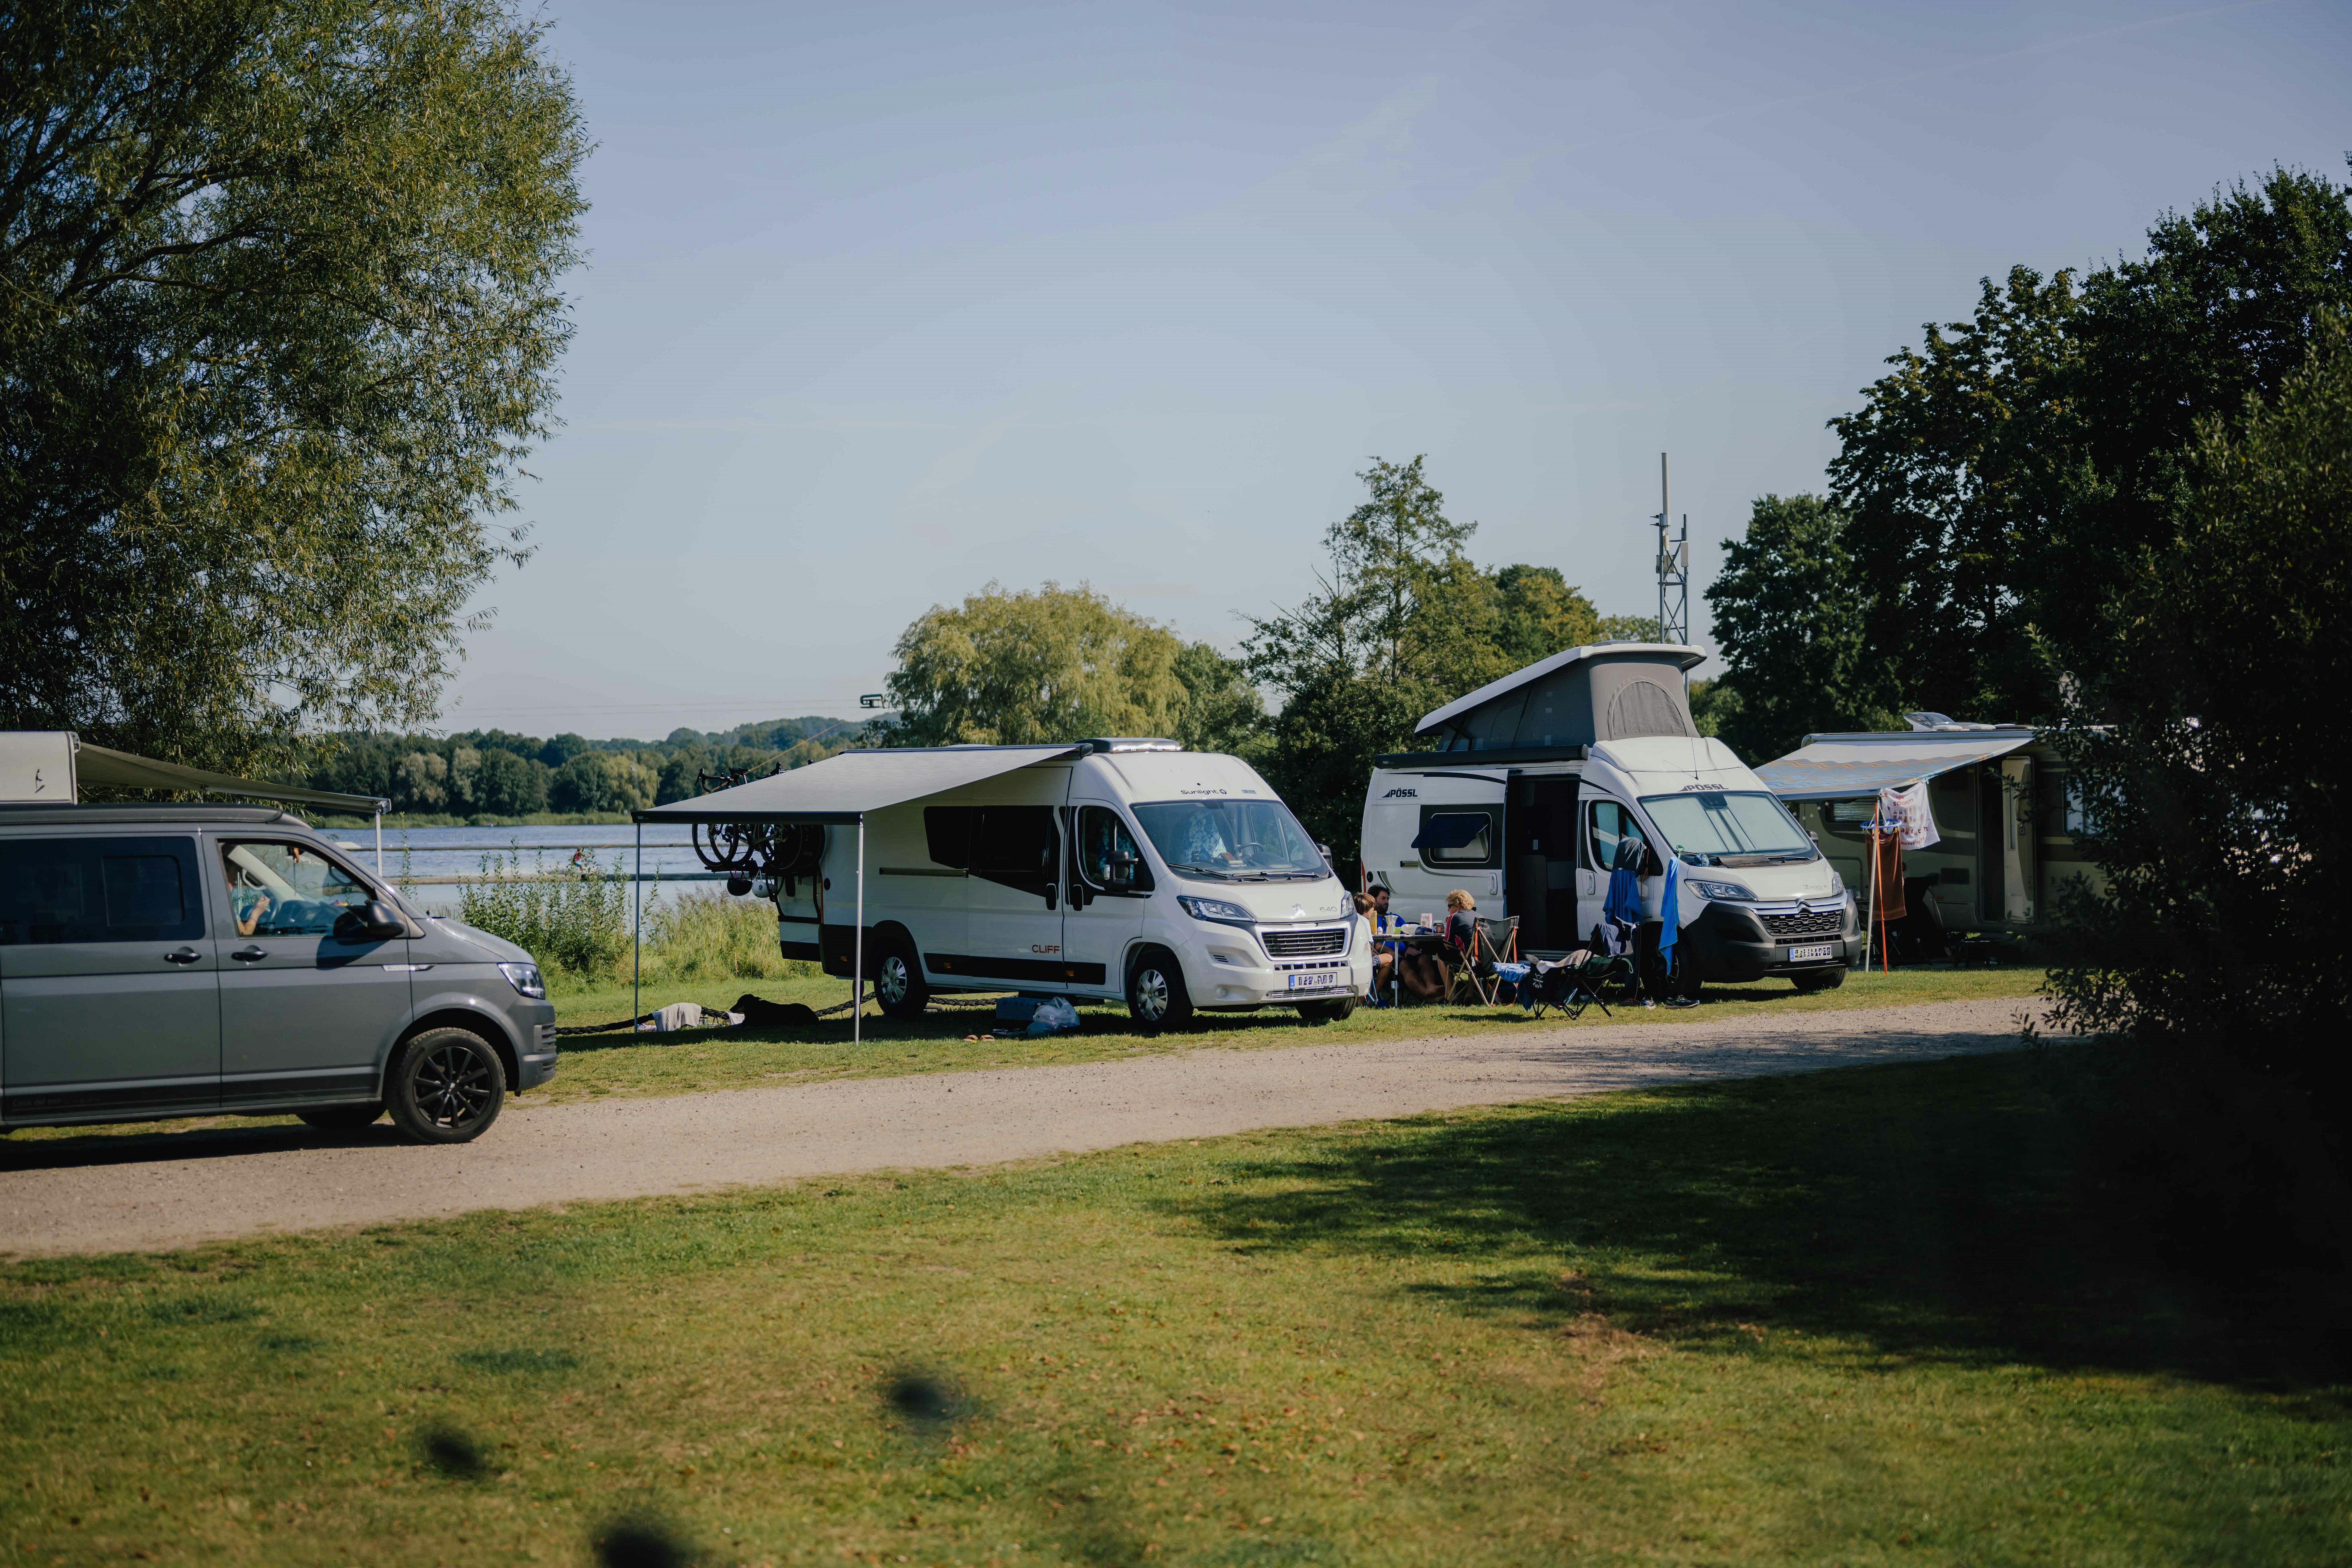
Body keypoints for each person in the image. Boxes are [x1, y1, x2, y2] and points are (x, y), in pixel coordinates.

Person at [1354, 892, 1395, 1004]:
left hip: (1353, 962)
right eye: (1372, 908)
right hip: (1364, 962)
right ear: (1367, 909)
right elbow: (1369, 949)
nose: (1373, 911)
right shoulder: (1364, 921)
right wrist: (1377, 956)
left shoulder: (1351, 920)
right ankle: (1372, 997)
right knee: (1388, 959)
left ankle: (1364, 997)